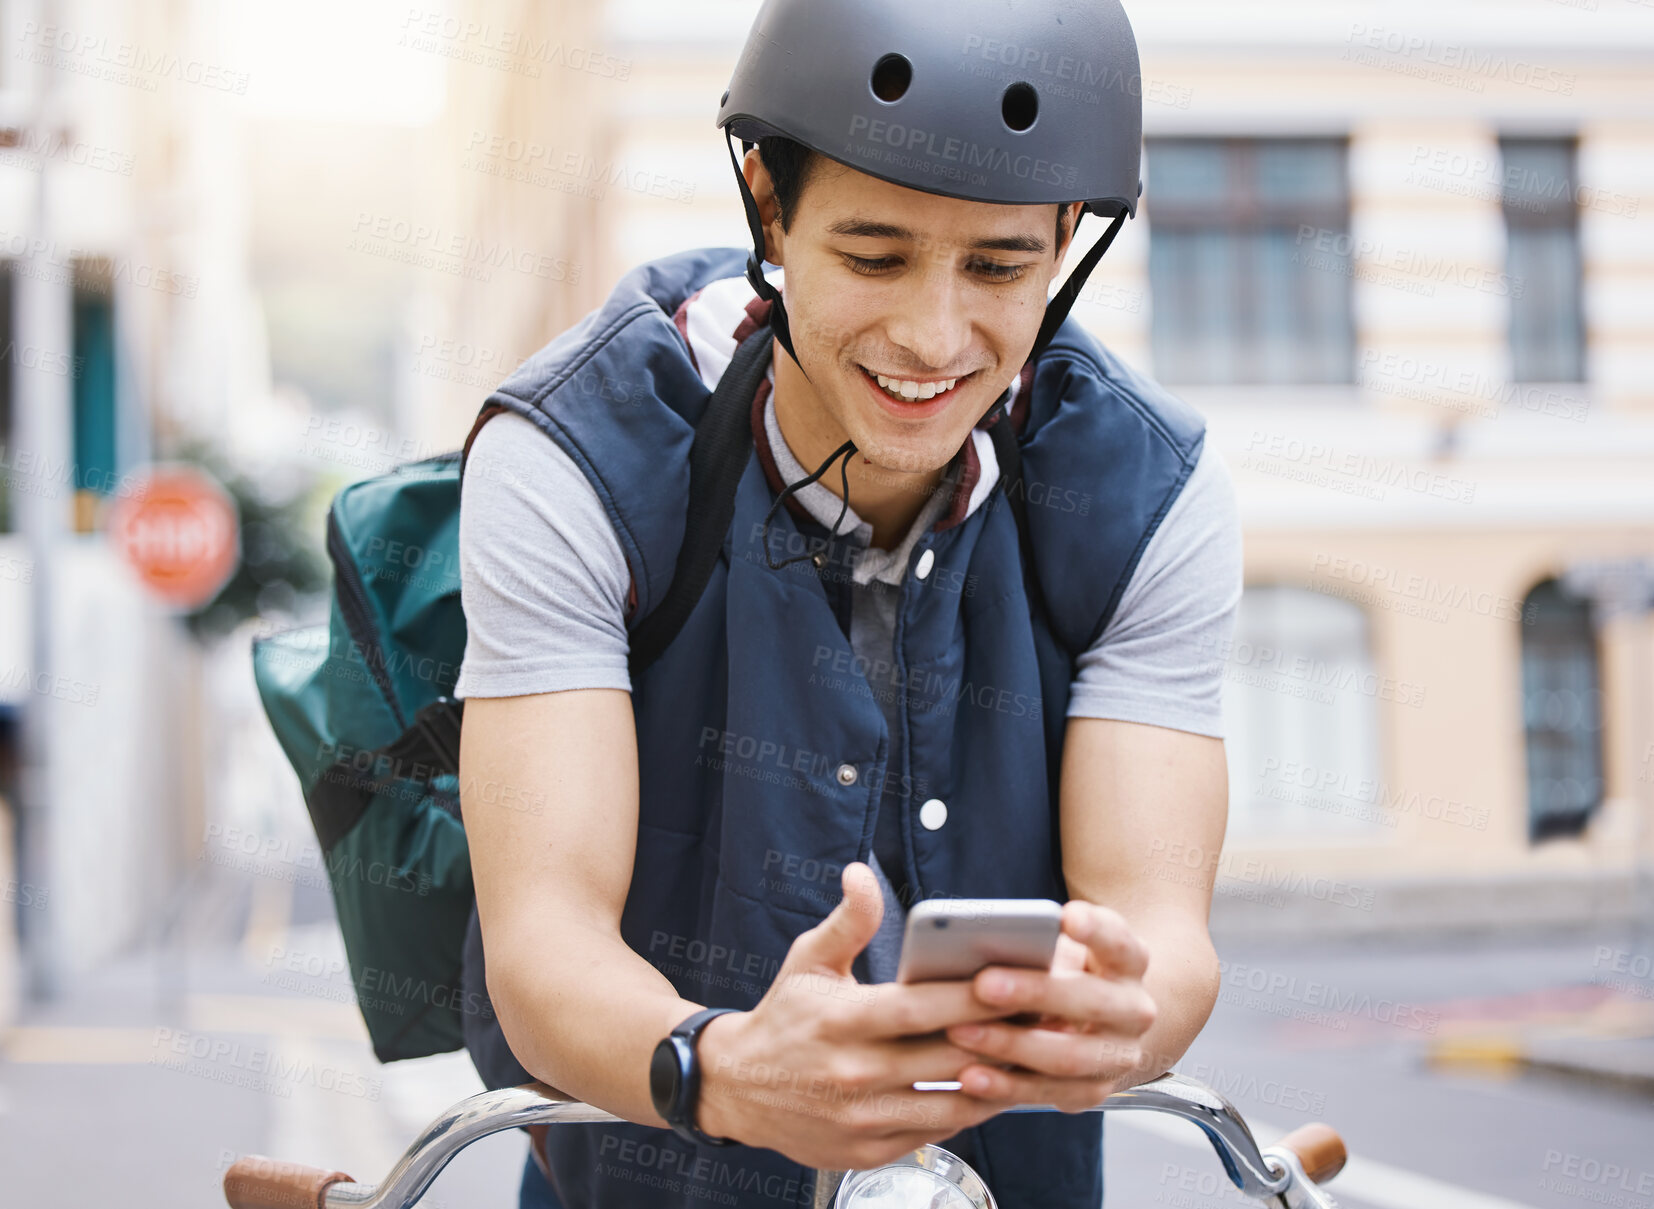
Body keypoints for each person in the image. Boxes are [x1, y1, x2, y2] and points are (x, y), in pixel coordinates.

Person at [454, 1, 1242, 1206]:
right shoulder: (577, 454)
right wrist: (719, 1068)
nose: (931, 338)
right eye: (874, 256)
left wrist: (1124, 1017)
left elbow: (1163, 928)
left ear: (1068, 234)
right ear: (769, 203)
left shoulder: (1147, 495)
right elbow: (543, 939)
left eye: (997, 266)